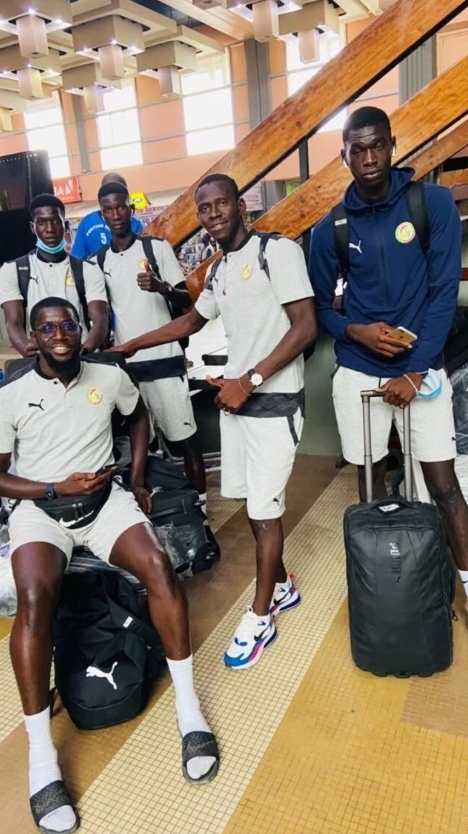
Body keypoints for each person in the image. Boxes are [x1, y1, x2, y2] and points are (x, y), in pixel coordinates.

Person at [0, 297, 219, 834]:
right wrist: (51, 488)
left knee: (158, 568)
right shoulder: (9, 395)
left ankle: (188, 709)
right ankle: (42, 758)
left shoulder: (108, 376)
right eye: (47, 328)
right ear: (32, 338)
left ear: (81, 329)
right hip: (41, 510)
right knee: (35, 598)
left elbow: (138, 416)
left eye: (68, 325)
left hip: (104, 503)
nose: (59, 334)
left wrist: (136, 477)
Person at [308, 105, 468, 665]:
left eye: (377, 146)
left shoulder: (431, 204)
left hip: (421, 370)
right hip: (358, 370)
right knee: (371, 487)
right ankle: (383, 587)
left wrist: (416, 372)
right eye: (357, 149)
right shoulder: (330, 229)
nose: (369, 157)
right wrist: (357, 331)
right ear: (344, 155)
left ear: (392, 146)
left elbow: (445, 292)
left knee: (442, 485)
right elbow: (321, 310)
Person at [111, 173, 317, 670]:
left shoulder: (277, 252)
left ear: (239, 205)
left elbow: (306, 326)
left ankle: (261, 615)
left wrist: (250, 378)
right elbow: (191, 321)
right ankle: (283, 586)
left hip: (274, 406)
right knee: (251, 506)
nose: (213, 214)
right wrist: (132, 345)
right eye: (204, 208)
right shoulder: (221, 268)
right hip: (238, 407)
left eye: (221, 203)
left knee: (265, 514)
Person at [95, 181, 220, 560]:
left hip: (165, 361)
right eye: (108, 209)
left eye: (121, 207)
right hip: (128, 371)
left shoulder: (156, 248)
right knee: (142, 450)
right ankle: (157, 516)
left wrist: (162, 287)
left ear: (130, 209)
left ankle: (200, 514)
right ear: (102, 215)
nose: (116, 214)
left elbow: (187, 303)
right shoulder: (98, 262)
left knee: (185, 441)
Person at [0, 194, 108, 358]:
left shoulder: (87, 269)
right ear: (32, 227)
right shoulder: (13, 270)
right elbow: (13, 322)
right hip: (39, 360)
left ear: (65, 224)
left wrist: (87, 348)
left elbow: (100, 317)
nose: (50, 229)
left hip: (81, 357)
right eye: (42, 222)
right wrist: (27, 350)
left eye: (56, 221)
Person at [71, 172, 144, 260]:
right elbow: (77, 259)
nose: (116, 216)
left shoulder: (136, 224)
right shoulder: (86, 223)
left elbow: (142, 255)